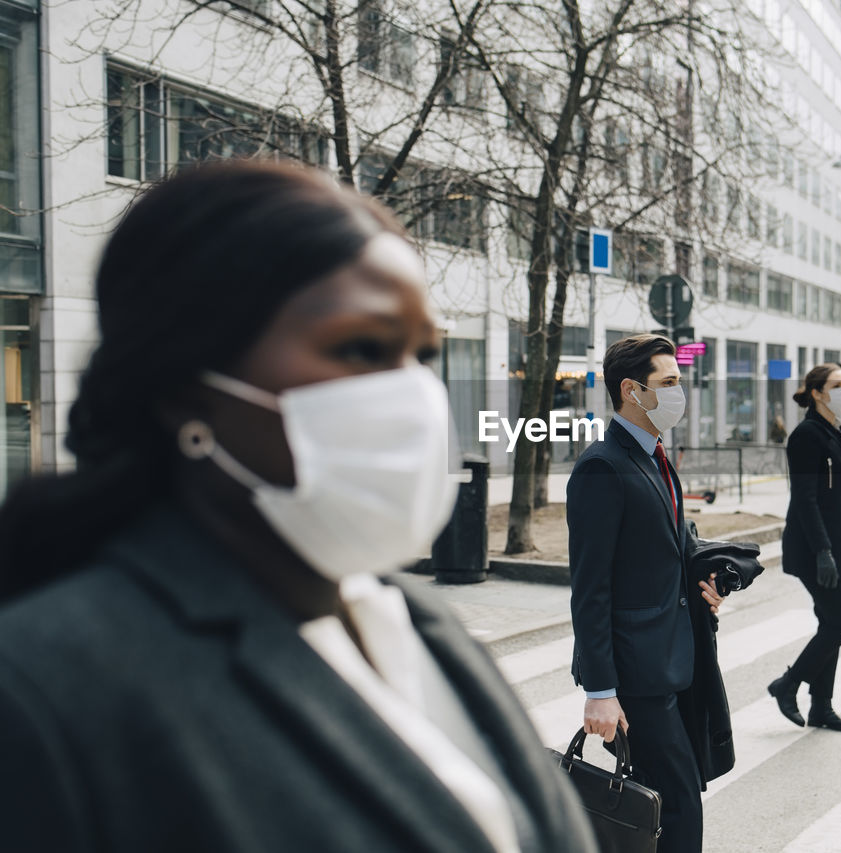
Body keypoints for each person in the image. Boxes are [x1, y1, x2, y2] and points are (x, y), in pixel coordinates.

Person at [0, 161, 595, 853]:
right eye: (363, 347)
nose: (410, 396)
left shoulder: (407, 614)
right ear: (188, 390)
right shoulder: (46, 691)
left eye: (423, 354)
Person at [566, 334, 731, 853]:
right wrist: (599, 691)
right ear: (632, 391)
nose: (680, 393)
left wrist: (706, 584)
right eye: (669, 383)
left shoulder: (657, 457)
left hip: (673, 660)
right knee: (680, 804)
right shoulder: (602, 466)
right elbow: (589, 588)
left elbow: (671, 552)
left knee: (666, 801)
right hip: (634, 676)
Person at [767, 363, 841, 733]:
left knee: (831, 623)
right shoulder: (806, 436)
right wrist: (823, 551)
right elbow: (805, 500)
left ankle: (821, 708)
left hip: (838, 545)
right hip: (814, 548)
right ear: (817, 393)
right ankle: (787, 684)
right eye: (837, 385)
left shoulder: (834, 431)